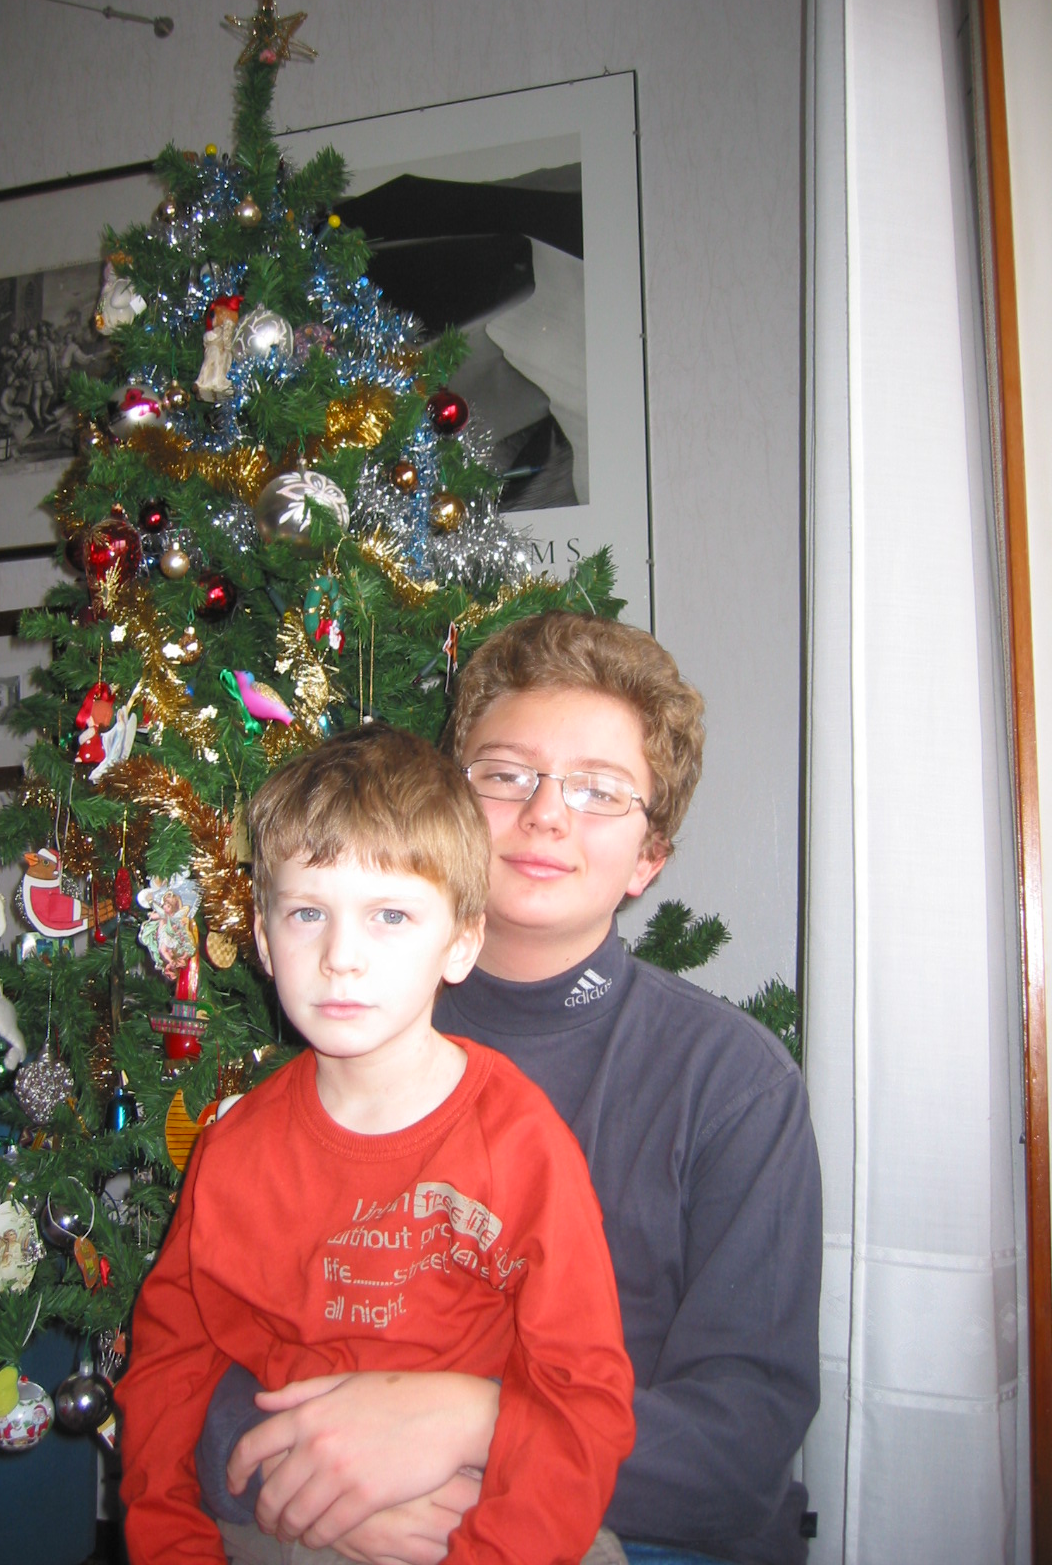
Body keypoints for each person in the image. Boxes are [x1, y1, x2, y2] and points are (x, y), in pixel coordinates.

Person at [196, 611, 823, 1565]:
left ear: (650, 858)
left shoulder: (733, 1082)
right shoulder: (350, 1026)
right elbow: (203, 1351)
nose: (546, 815)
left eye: (599, 791)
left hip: (630, 1527)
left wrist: (475, 1424)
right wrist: (320, 1471)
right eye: (505, 775)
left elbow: (741, 1446)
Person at [116, 723, 638, 1565]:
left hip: (492, 1515)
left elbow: (581, 1396)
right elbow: (167, 1373)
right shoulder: (234, 1151)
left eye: (390, 915)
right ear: (263, 939)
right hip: (282, 1516)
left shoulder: (522, 1142)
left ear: (460, 942)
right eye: (307, 914)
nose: (341, 958)